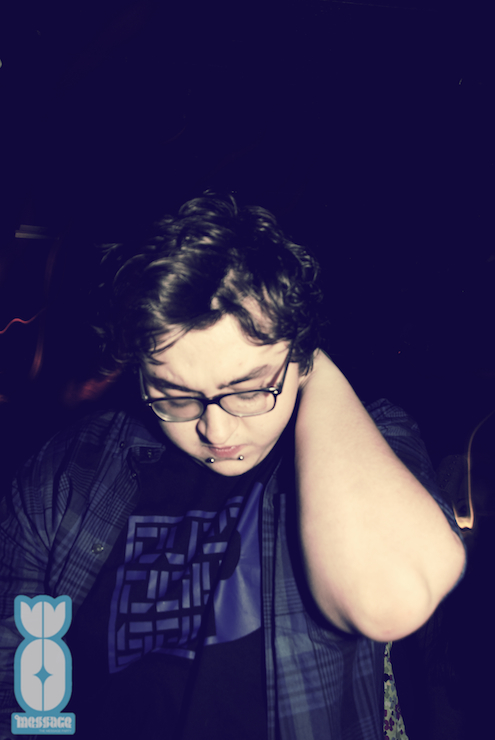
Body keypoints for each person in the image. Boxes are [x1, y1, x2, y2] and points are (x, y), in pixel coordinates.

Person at [0, 193, 465, 740]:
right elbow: (14, 679)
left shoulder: (374, 431)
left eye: (248, 390)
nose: (215, 431)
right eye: (175, 396)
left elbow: (387, 601)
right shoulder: (67, 467)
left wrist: (308, 357)